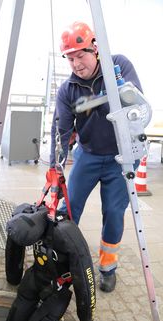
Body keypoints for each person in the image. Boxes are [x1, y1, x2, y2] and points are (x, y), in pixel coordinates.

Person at [50, 21, 142, 293]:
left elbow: (136, 103)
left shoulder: (119, 66)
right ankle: (64, 259)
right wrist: (56, 165)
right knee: (69, 208)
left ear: (96, 49)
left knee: (113, 213)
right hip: (88, 156)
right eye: (70, 58)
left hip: (120, 157)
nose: (76, 64)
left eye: (81, 55)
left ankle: (108, 267)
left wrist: (114, 92)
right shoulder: (68, 90)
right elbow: (62, 129)